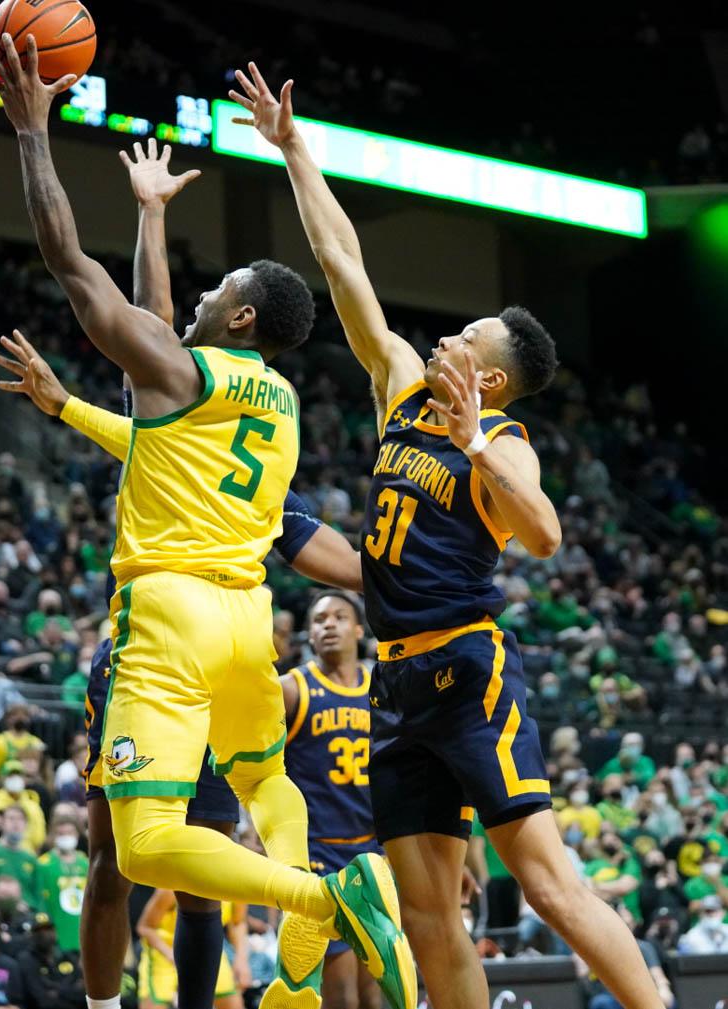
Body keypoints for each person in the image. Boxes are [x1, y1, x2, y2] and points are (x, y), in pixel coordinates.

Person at [228, 62, 661, 1008]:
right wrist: (295, 148)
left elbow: (542, 537)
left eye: (464, 339)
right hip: (396, 683)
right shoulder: (398, 393)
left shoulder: (502, 441)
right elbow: (344, 262)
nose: (445, 342)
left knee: (546, 883)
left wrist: (473, 445)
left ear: (493, 380)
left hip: (469, 674)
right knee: (427, 917)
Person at [0, 140, 370, 1009]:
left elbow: (71, 266)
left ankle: (317, 895)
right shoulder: (280, 403)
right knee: (264, 781)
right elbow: (154, 403)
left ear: (241, 317)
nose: (205, 294)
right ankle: (307, 903)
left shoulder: (183, 370)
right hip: (249, 623)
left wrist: (31, 131)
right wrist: (152, 212)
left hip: (169, 615)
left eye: (223, 287)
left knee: (140, 850)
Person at [280, 591, 382, 1009]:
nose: (328, 624)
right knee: (341, 993)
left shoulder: (383, 684)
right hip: (318, 851)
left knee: (377, 989)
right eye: (319, 619)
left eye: (340, 617)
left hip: (375, 849)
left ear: (359, 629)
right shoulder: (291, 688)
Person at [138, 890, 247, 1009]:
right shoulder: (170, 889)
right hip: (164, 955)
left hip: (209, 951)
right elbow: (145, 927)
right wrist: (171, 955)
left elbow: (238, 922)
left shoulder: (235, 886)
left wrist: (242, 959)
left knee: (233, 1004)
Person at [35, 817, 88, 953]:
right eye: (61, 833)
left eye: (69, 832)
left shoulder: (86, 863)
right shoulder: (43, 864)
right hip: (57, 932)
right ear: (53, 836)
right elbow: (40, 899)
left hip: (84, 931)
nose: (66, 837)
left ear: (77, 834)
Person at [18, 913, 85, 1009]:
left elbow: (84, 993)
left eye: (48, 929)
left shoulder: (68, 956)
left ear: (55, 931)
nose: (45, 934)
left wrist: (57, 992)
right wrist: (71, 990)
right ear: (32, 935)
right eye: (39, 931)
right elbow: (43, 1001)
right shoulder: (27, 960)